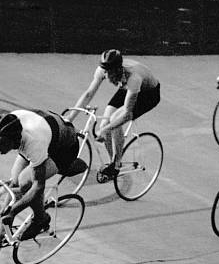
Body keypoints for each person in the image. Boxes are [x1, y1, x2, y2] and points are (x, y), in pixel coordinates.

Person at [0, 111, 84, 256]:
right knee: (14, 184)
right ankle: (0, 237)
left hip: (63, 148)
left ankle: (41, 218)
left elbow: (38, 187)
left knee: (25, 183)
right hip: (46, 130)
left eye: (3, 145)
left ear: (15, 140)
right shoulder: (3, 129)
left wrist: (13, 211)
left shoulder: (33, 144)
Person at [66, 49, 160, 183]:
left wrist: (105, 130)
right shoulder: (103, 70)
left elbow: (126, 114)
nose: (107, 76)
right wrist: (70, 117)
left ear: (118, 69)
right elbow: (88, 94)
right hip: (126, 88)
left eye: (110, 72)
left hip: (148, 94)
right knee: (105, 122)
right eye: (105, 71)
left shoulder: (134, 78)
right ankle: (112, 163)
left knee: (115, 121)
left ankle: (116, 165)